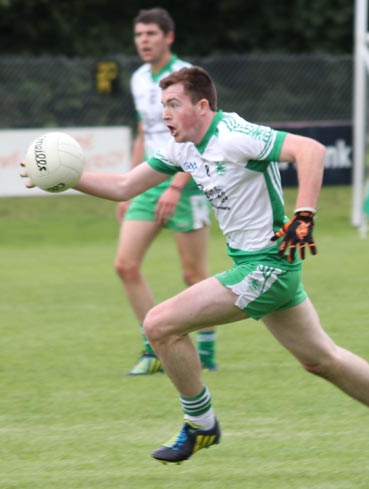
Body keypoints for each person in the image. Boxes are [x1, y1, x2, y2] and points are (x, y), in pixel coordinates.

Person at [21, 66, 369, 471]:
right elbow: (124, 187)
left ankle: (201, 424)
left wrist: (304, 214)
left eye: (173, 104)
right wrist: (66, 176)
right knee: (321, 359)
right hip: (260, 267)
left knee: (160, 324)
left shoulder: (234, 135)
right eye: (162, 105)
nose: (164, 114)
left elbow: (311, 150)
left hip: (268, 265)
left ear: (203, 106)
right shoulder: (183, 145)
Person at [115, 8, 216, 375]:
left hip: (186, 185)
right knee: (125, 265)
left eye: (151, 34)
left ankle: (206, 349)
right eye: (138, 34)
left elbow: (202, 135)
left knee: (193, 274)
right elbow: (144, 131)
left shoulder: (189, 76)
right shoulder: (139, 78)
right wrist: (129, 187)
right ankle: (153, 348)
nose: (143, 40)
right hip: (148, 180)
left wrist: (175, 187)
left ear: (168, 37)